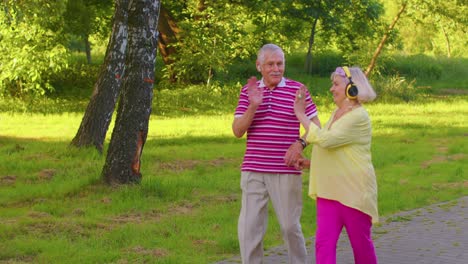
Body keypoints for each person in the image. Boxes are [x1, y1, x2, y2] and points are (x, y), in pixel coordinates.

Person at [232, 43, 320, 264]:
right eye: (270, 64)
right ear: (259, 65)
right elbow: (237, 131)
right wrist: (253, 106)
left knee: (290, 227)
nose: (276, 68)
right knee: (249, 228)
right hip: (253, 169)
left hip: (286, 170)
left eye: (280, 63)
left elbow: (316, 127)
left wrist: (300, 143)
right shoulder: (248, 91)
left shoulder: (297, 90)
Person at [294, 66, 379, 264]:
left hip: (354, 191)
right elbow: (333, 150)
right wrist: (310, 163)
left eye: (336, 84)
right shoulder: (337, 112)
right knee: (323, 244)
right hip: (329, 191)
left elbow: (326, 140)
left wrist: (300, 113)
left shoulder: (359, 117)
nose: (331, 89)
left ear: (352, 88)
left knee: (361, 246)